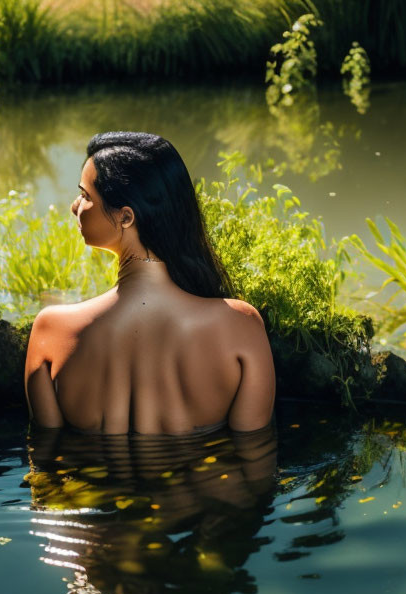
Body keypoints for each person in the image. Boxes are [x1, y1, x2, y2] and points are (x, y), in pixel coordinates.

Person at [24, 132, 275, 435]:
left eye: (86, 196)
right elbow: (256, 461)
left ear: (126, 217)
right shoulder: (240, 325)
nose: (74, 207)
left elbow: (46, 463)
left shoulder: (51, 332)